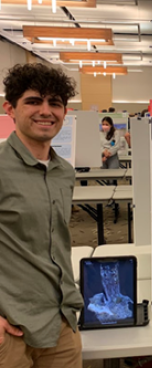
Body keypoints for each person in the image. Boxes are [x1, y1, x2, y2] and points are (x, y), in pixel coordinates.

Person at [0, 63, 84, 367]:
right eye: (34, 101)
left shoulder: (64, 172)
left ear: (65, 112)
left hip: (60, 319)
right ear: (10, 108)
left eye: (55, 103)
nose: (46, 111)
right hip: (10, 326)